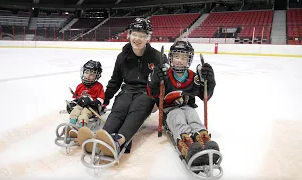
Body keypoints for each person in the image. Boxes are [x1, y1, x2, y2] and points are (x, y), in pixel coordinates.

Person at [77, 18, 165, 158]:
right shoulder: (122, 56)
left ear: (148, 38)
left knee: (136, 109)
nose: (137, 39)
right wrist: (104, 100)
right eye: (135, 34)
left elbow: (165, 83)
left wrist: (159, 81)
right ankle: (102, 138)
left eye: (142, 36)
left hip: (147, 92)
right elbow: (115, 81)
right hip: (128, 90)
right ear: (129, 35)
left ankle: (118, 141)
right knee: (120, 108)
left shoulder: (157, 57)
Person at [147, 40, 220, 166]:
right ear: (171, 57)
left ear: (189, 60)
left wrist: (210, 84)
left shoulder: (194, 77)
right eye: (176, 56)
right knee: (178, 117)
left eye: (183, 57)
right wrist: (154, 81)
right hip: (169, 110)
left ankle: (203, 138)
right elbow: (152, 94)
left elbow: (205, 97)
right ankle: (187, 144)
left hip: (187, 106)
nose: (179, 60)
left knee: (192, 114)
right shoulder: (165, 75)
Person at [66, 60, 104, 140]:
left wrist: (92, 102)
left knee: (84, 113)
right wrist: (72, 103)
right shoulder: (80, 86)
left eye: (92, 74)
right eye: (86, 72)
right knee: (75, 110)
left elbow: (100, 100)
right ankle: (71, 126)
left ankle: (81, 129)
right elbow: (75, 98)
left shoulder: (99, 86)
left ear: (97, 76)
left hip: (91, 108)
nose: (88, 76)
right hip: (80, 105)